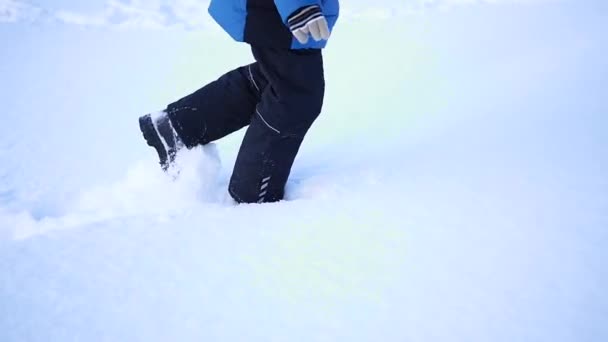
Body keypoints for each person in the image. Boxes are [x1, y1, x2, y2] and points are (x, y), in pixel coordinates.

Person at [139, 0, 340, 204]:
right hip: (282, 10)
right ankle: (253, 192)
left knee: (281, 79)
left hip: (283, 9)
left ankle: (179, 126)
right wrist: (299, 5)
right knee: (295, 97)